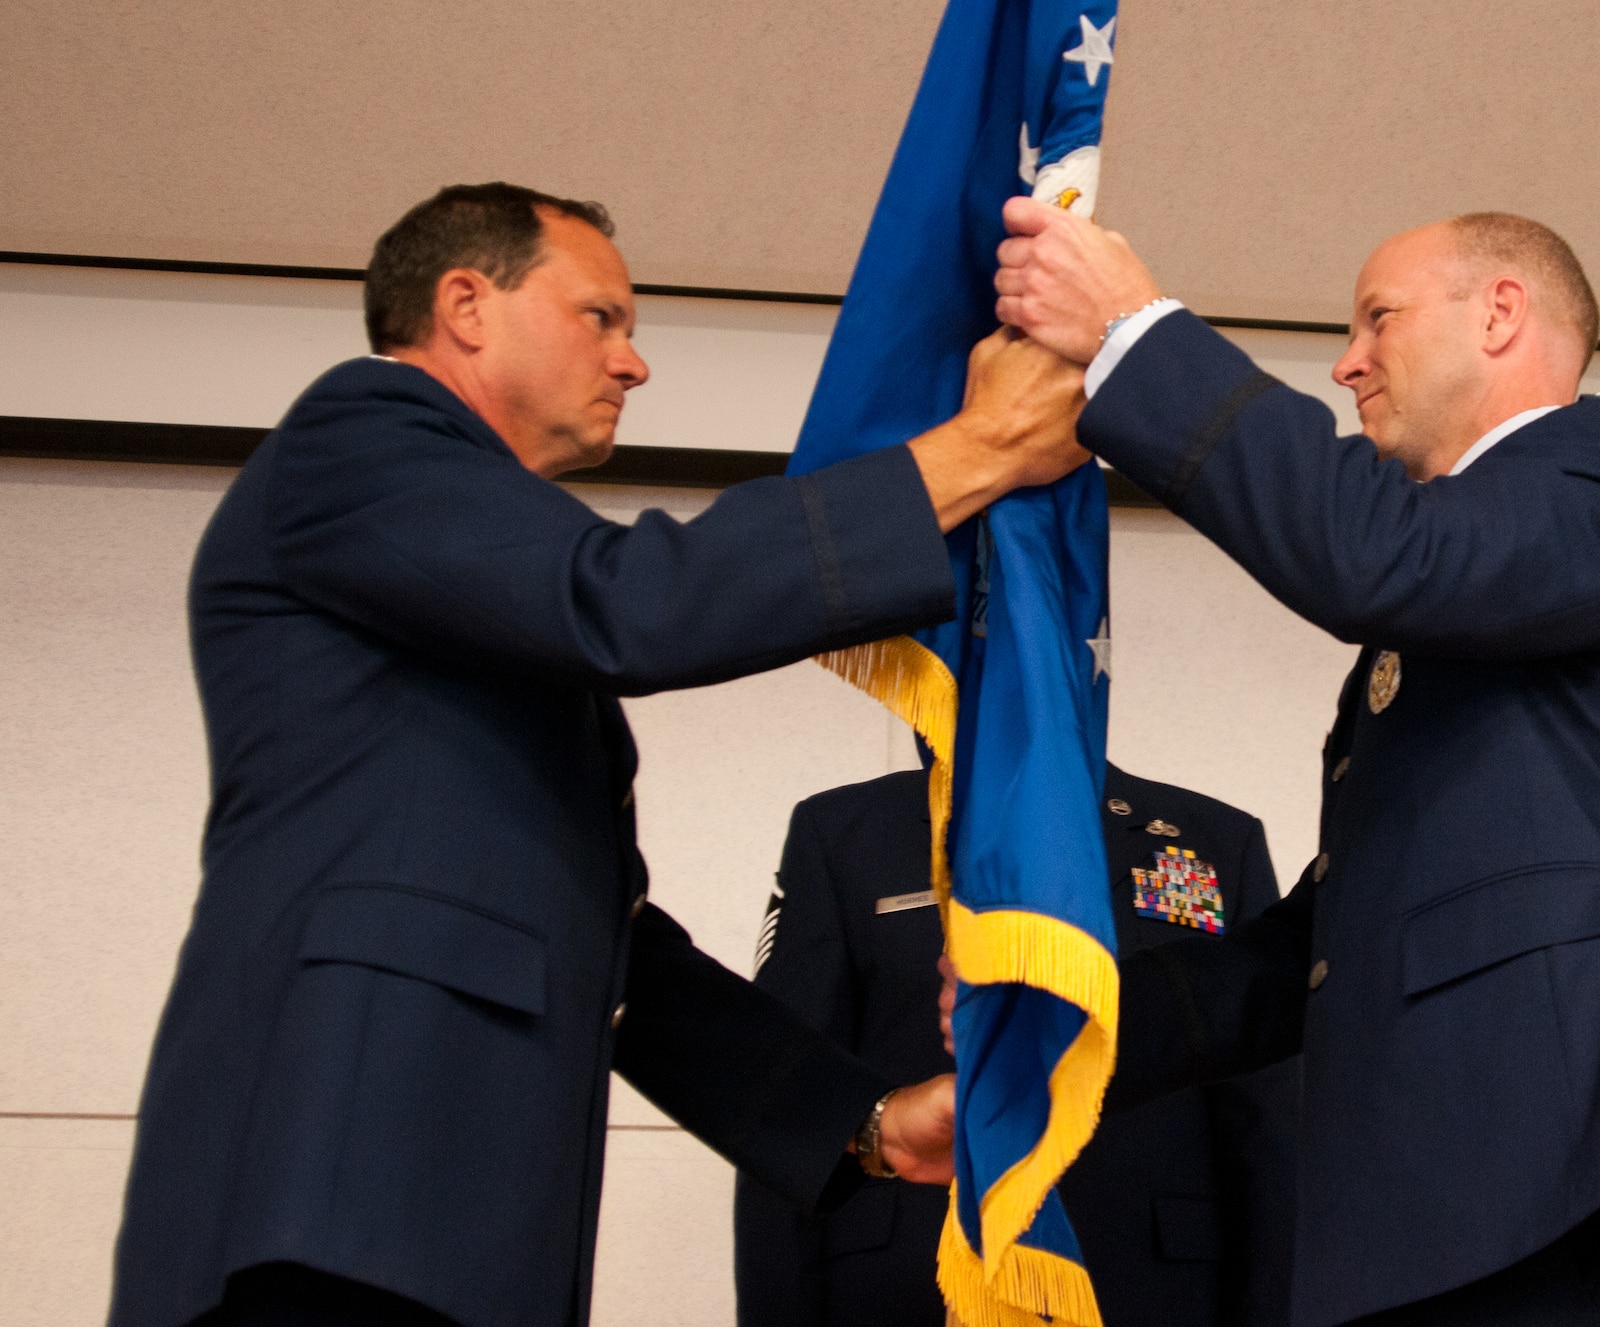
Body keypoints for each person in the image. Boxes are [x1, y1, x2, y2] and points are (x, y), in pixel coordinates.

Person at [109, 181, 1089, 1327]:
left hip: (439, 1225)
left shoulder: (466, 592)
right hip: (328, 1200)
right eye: (601, 317)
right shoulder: (358, 437)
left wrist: (859, 1120)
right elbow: (632, 604)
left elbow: (617, 953)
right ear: (466, 305)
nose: (633, 363)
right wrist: (969, 455)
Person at [984, 202, 1600, 1326]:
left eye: (1377, 318)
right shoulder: (1466, 600)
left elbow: (1370, 556)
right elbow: (1309, 954)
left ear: (1499, 313)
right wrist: (1057, 1035)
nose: (1346, 361)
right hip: (1409, 1233)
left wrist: (1130, 329)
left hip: (1560, 1203)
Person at [735, 762, 1298, 1327]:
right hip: (904, 1289)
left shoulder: (1215, 840)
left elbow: (1267, 1128)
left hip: (1149, 1288)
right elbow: (786, 1099)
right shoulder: (846, 832)